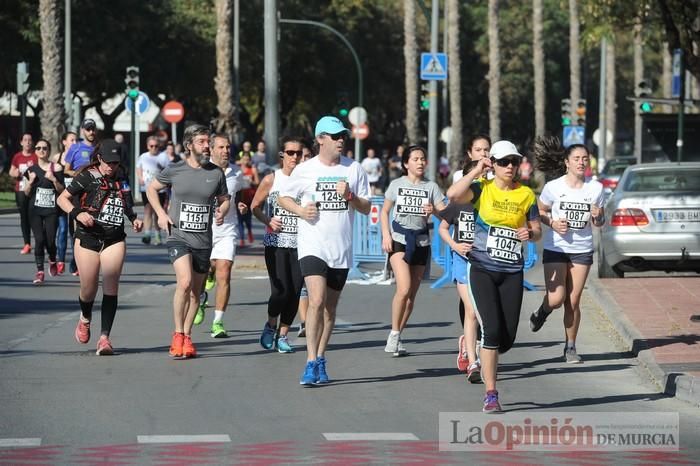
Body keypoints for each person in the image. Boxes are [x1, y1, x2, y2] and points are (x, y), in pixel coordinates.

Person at [447, 140, 541, 413]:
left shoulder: (526, 195)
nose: (510, 166)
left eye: (514, 161)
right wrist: (477, 170)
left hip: (512, 271)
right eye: (504, 162)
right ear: (494, 165)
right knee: (492, 331)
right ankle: (491, 394)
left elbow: (536, 229)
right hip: (482, 270)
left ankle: (483, 347)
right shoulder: (481, 189)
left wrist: (530, 234)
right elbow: (453, 195)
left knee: (507, 339)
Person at [278, 116, 370, 385]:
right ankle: (309, 361)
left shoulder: (354, 169)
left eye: (343, 135)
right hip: (312, 245)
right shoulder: (305, 169)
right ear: (320, 139)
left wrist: (350, 197)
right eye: (335, 136)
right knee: (316, 300)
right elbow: (284, 197)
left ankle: (320, 357)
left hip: (340, 249)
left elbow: (366, 207)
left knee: (330, 309)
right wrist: (300, 210)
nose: (341, 140)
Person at [147, 124, 230, 359]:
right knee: (184, 283)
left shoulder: (216, 173)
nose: (207, 146)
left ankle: (187, 335)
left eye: (208, 141)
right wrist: (161, 215)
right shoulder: (175, 170)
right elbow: (152, 189)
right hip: (178, 236)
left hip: (203, 240)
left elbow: (224, 200)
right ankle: (177, 334)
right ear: (189, 145)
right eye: (202, 142)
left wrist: (222, 210)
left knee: (196, 293)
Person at [57, 139, 143, 355]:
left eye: (115, 163)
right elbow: (62, 199)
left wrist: (134, 219)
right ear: (99, 159)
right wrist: (78, 213)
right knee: (89, 289)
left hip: (114, 238)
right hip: (88, 238)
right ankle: (85, 318)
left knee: (111, 286)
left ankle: (104, 338)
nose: (111, 167)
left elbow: (127, 202)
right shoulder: (88, 176)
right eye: (108, 163)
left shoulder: (122, 176)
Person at [529, 138, 605, 363]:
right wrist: (552, 223)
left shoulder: (596, 188)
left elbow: (600, 222)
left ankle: (570, 347)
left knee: (572, 301)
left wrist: (597, 215)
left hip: (582, 249)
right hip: (556, 247)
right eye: (576, 159)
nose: (581, 163)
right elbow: (539, 211)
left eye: (585, 159)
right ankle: (543, 311)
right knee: (556, 298)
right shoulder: (554, 187)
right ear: (566, 163)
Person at [381, 146, 445, 356]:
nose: (420, 162)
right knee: (404, 288)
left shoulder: (432, 187)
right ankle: (393, 333)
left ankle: (398, 334)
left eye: (422, 159)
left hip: (421, 242)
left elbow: (446, 214)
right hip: (399, 239)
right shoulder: (396, 185)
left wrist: (433, 210)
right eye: (415, 159)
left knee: (411, 297)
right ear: (406, 163)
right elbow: (384, 211)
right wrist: (386, 235)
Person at [251, 136, 305, 353]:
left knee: (295, 292)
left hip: (302, 244)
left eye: (298, 153)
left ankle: (283, 335)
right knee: (280, 291)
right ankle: (271, 323)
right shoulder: (272, 179)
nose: (294, 157)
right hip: (276, 243)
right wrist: (268, 220)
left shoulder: (307, 180)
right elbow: (256, 206)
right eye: (290, 152)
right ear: (282, 154)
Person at [194, 134, 246, 338]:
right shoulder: (201, 171)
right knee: (207, 269)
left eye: (228, 147)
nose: (226, 151)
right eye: (221, 147)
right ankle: (201, 297)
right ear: (212, 149)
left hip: (227, 230)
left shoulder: (237, 173)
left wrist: (241, 205)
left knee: (225, 271)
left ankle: (218, 322)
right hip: (203, 231)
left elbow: (238, 196)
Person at [438, 160, 482, 383]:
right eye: (473, 177)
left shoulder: (488, 201)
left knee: (484, 313)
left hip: (484, 261)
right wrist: (455, 246)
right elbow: (443, 228)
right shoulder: (458, 202)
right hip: (461, 259)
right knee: (471, 311)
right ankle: (474, 362)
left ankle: (471, 343)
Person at [24, 139, 65, 284]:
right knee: (39, 240)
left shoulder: (56, 168)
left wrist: (53, 179)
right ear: (35, 151)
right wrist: (30, 182)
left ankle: (53, 259)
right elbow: (27, 193)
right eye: (38, 148)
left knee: (50, 240)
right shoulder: (31, 170)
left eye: (45, 148)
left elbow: (61, 190)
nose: (41, 150)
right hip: (34, 210)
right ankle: (40, 271)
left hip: (51, 210)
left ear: (48, 151)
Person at [64, 118, 99, 275]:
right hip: (78, 192)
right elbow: (66, 169)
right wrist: (78, 174)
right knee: (78, 226)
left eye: (93, 129)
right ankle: (76, 261)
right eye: (88, 129)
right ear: (83, 131)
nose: (91, 132)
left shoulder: (99, 148)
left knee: (95, 225)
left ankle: (92, 259)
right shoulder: (75, 147)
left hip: (96, 192)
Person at [52, 131, 78, 275]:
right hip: (62, 199)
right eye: (71, 140)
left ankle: (75, 264)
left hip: (75, 200)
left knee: (74, 233)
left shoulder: (79, 157)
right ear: (64, 142)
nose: (75, 142)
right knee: (62, 230)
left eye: (76, 140)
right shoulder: (58, 157)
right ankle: (60, 260)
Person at [137, 136, 170, 245]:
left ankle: (157, 235)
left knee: (157, 212)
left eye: (156, 146)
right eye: (151, 146)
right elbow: (138, 168)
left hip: (160, 189)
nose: (154, 148)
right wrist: (140, 178)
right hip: (146, 188)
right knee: (147, 210)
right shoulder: (143, 156)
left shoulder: (163, 156)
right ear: (147, 146)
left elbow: (169, 170)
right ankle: (147, 234)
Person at [9, 132, 38, 254]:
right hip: (20, 189)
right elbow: (11, 171)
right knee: (24, 217)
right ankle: (27, 244)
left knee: (35, 217)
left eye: (30, 140)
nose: (27, 142)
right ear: (21, 142)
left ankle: (40, 242)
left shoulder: (36, 156)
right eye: (25, 140)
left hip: (34, 190)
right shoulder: (17, 157)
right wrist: (14, 173)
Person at [236, 152, 258, 246]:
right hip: (239, 197)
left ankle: (249, 231)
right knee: (240, 220)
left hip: (249, 197)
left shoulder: (252, 169)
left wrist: (251, 181)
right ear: (241, 159)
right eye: (244, 159)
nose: (245, 161)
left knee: (247, 219)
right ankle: (241, 239)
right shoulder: (237, 169)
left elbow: (257, 182)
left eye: (247, 159)